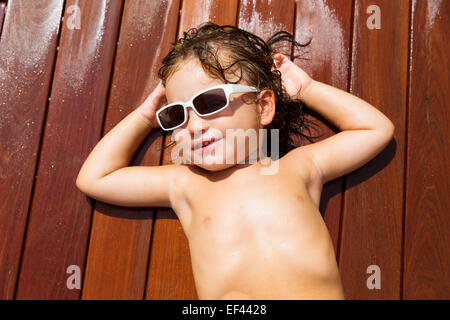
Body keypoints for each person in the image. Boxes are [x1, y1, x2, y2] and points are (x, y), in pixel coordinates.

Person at [76, 23, 394, 300]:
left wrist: (307, 89)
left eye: (210, 102)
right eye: (176, 114)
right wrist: (147, 115)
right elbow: (95, 178)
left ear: (263, 107)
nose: (195, 125)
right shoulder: (184, 183)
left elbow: (375, 129)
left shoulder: (298, 167)